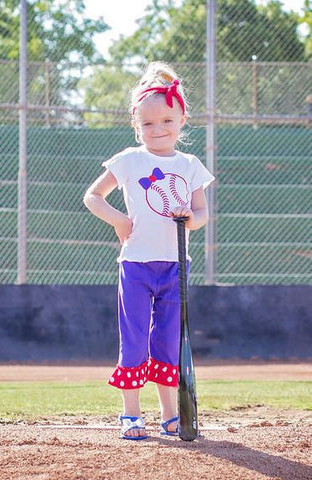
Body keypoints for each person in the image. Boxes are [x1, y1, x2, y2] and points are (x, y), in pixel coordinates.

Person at [84, 61, 214, 440]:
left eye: (167, 122)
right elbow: (92, 196)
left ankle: (171, 415)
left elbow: (203, 211)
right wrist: (120, 221)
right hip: (137, 266)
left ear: (182, 120)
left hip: (176, 267)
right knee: (135, 337)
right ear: (136, 125)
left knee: (168, 341)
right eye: (148, 124)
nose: (158, 130)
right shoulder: (129, 160)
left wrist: (191, 217)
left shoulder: (190, 165)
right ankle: (130, 415)